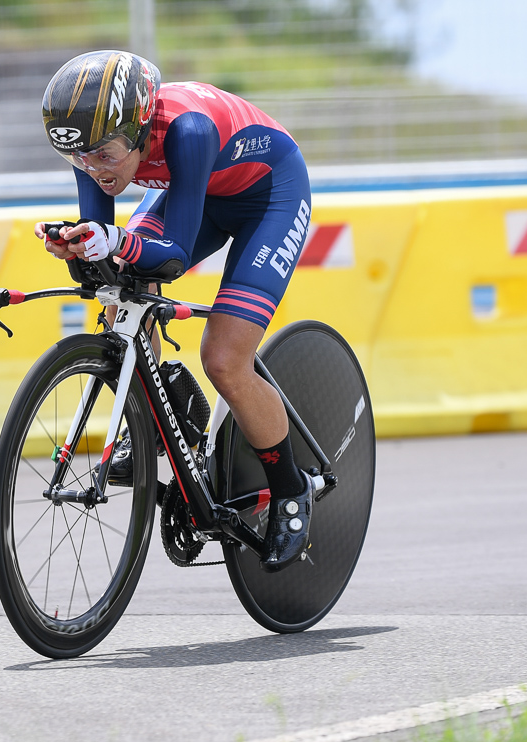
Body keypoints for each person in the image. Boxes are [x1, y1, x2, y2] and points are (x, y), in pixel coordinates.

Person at [35, 50, 314, 572]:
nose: (94, 171)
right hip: (202, 191)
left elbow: (175, 254)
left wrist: (111, 241)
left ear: (140, 131)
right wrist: (79, 248)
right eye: (79, 161)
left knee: (225, 359)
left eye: (105, 156)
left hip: (269, 196)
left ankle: (290, 488)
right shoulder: (91, 145)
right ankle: (164, 405)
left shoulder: (187, 130)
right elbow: (108, 259)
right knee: (120, 299)